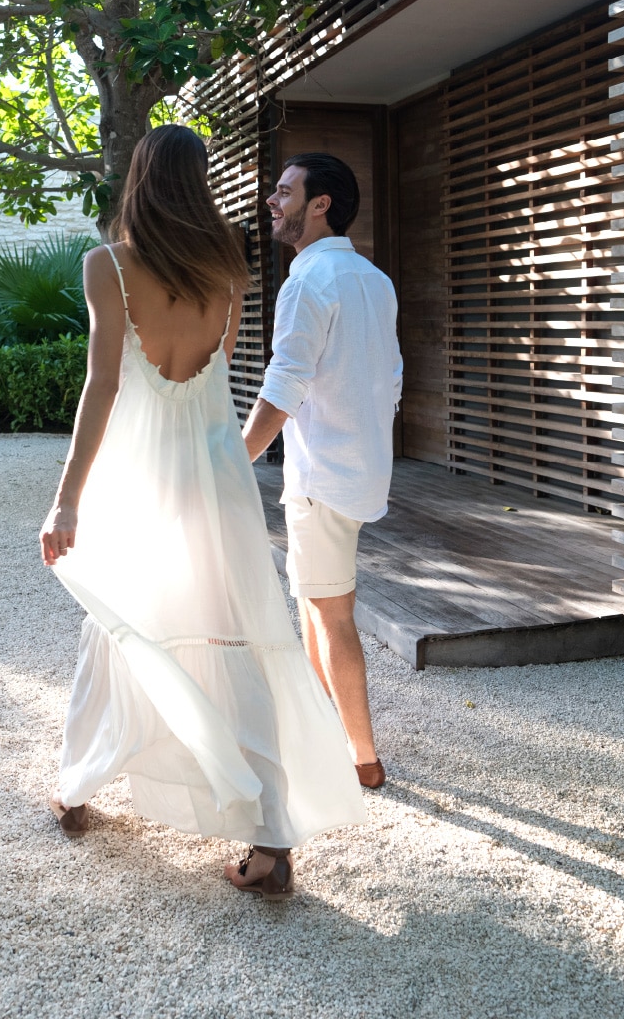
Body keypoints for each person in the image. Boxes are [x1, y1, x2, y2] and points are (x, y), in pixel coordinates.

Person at [39, 125, 366, 900]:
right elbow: (215, 365)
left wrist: (67, 496)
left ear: (139, 177)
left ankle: (77, 788)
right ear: (200, 180)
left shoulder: (108, 266)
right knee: (238, 638)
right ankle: (270, 838)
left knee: (121, 621)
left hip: (143, 473)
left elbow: (104, 386)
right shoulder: (229, 262)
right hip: (216, 473)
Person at [241, 153, 402, 791]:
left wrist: (233, 460)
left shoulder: (307, 282)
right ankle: (321, 736)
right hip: (359, 469)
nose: (272, 201)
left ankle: (363, 759)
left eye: (284, 192)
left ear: (320, 205)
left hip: (323, 476)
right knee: (313, 601)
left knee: (331, 614)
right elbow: (392, 378)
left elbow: (284, 385)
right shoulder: (375, 279)